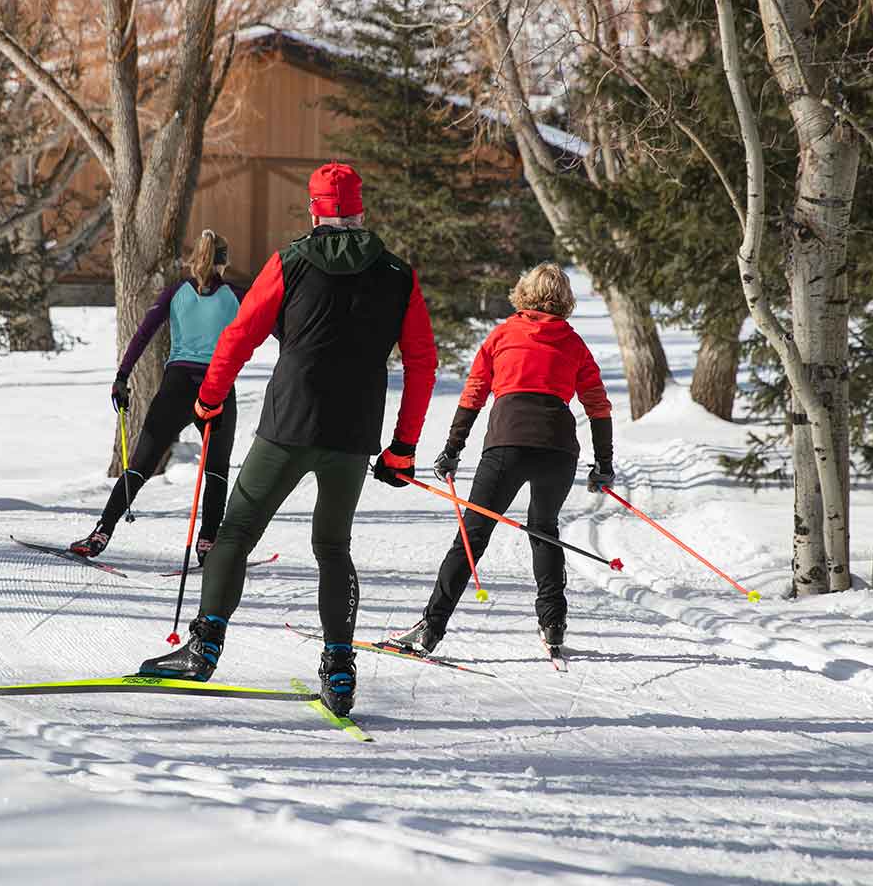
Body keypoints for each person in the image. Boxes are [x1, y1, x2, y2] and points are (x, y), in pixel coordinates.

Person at [137, 162, 436, 717]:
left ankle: (202, 650)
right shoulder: (398, 273)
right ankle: (340, 669)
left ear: (316, 208)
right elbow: (422, 363)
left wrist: (208, 397)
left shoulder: (290, 261)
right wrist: (403, 446)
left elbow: (239, 334)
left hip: (287, 424)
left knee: (236, 532)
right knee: (333, 547)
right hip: (353, 432)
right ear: (360, 209)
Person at [386, 263, 614, 658]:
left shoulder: (503, 334)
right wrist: (603, 464)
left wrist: (452, 448)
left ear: (523, 293)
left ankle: (431, 627)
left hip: (507, 444)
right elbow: (597, 405)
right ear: (565, 300)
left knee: (472, 537)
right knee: (544, 530)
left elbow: (475, 391)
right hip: (558, 450)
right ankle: (553, 623)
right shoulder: (573, 342)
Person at [68, 229, 246, 563]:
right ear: (226, 262)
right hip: (217, 387)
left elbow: (143, 333)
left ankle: (100, 533)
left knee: (139, 467)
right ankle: (207, 545)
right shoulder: (237, 295)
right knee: (216, 470)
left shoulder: (176, 292)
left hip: (176, 386)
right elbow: (273, 325)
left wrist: (122, 377)